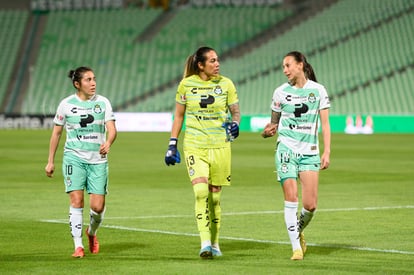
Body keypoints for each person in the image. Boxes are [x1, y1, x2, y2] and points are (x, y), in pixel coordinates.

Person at [164, 46, 241, 259]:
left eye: (218, 60)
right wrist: (172, 144)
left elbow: (235, 112)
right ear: (201, 65)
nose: (218, 64)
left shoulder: (226, 84)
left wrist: (235, 124)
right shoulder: (186, 85)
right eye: (213, 61)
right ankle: (204, 243)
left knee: (214, 198)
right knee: (200, 192)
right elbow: (179, 117)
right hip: (195, 145)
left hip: (220, 146)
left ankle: (215, 243)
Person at [261, 51, 331, 260]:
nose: (285, 70)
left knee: (310, 205)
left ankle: (297, 232)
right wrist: (266, 133)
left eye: (288, 65)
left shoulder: (318, 91)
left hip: (309, 152)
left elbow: (325, 124)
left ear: (300, 65)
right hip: (286, 150)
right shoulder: (280, 93)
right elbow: (272, 124)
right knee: (291, 198)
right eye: (283, 67)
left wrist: (326, 151)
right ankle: (296, 248)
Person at [45, 66, 117, 258]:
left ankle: (91, 233)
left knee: (97, 207)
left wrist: (108, 142)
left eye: (94, 79)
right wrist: (50, 161)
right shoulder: (66, 104)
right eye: (88, 80)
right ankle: (78, 246)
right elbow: (57, 133)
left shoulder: (103, 103)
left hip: (98, 161)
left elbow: (112, 129)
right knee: (77, 200)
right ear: (77, 84)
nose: (93, 83)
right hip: (74, 157)